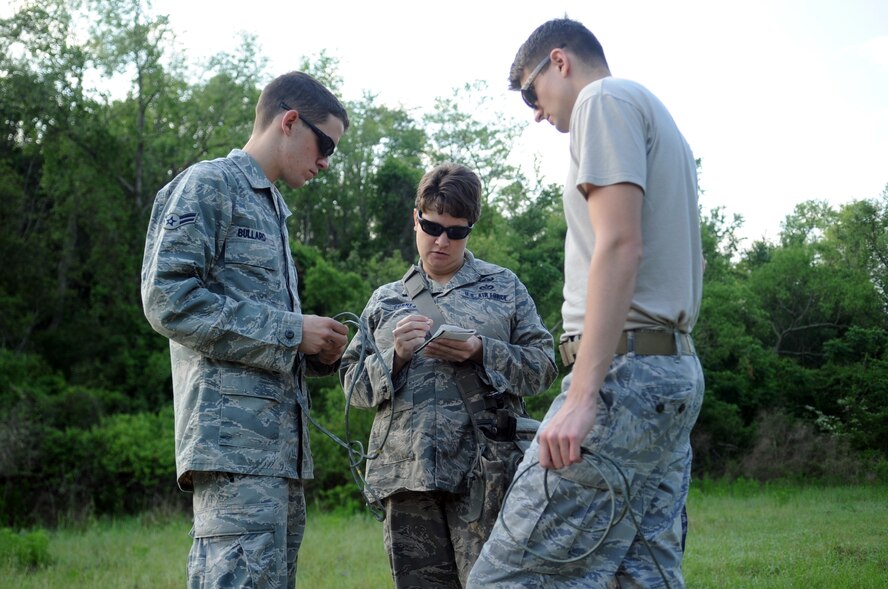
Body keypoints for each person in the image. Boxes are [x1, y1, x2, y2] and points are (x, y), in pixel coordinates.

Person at [468, 18, 704, 589]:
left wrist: (580, 396)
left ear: (560, 61)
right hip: (669, 373)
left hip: (624, 378)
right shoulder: (658, 118)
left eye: (532, 91)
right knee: (640, 575)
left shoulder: (603, 100)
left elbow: (621, 245)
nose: (536, 111)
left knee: (502, 580)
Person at [141, 71, 350, 589]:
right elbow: (168, 299)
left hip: (279, 458)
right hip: (234, 450)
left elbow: (259, 333)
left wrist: (313, 351)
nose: (326, 162)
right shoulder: (210, 184)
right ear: (289, 121)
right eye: (325, 145)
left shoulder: (272, 207)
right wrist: (288, 332)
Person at [339, 163, 557, 588]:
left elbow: (543, 366)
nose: (442, 241)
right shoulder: (385, 300)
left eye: (456, 232)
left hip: (486, 476)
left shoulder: (503, 287)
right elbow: (352, 388)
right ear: (415, 218)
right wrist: (396, 356)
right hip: (407, 478)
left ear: (470, 229)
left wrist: (482, 350)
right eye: (432, 227)